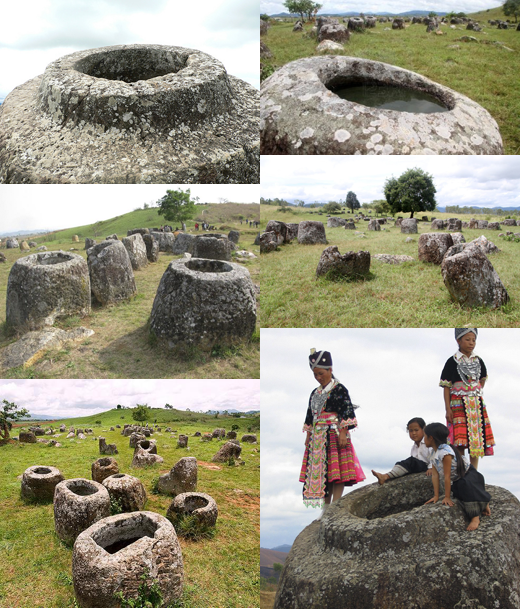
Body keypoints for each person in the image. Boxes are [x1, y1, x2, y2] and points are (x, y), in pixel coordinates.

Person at [299, 349, 365, 510]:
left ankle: (335, 504)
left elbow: (346, 411)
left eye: (321, 373)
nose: (318, 377)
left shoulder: (339, 389)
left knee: (337, 470)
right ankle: (325, 507)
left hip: (335, 433)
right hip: (317, 436)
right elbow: (310, 415)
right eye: (315, 375)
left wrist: (343, 432)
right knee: (323, 472)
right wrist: (308, 435)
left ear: (330, 370)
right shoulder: (315, 393)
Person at [440, 328, 495, 469]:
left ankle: (474, 472)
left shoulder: (478, 361)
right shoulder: (452, 361)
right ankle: (461, 470)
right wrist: (448, 409)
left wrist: (473, 392)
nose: (471, 343)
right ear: (458, 341)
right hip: (457, 404)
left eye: (473, 340)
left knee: (476, 440)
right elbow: (446, 386)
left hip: (475, 404)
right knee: (460, 441)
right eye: (467, 339)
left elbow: (481, 381)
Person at [424, 422, 491, 531]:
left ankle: (475, 517)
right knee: (458, 494)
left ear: (431, 438)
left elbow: (446, 476)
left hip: (470, 476)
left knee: (467, 493)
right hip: (458, 479)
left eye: (425, 437)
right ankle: (483, 503)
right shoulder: (434, 453)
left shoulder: (445, 453)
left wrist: (447, 497)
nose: (424, 440)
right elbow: (435, 476)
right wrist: (436, 496)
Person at [371, 417, 432, 484]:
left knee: (410, 462)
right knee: (402, 464)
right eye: (411, 431)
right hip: (419, 469)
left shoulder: (428, 443)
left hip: (427, 467)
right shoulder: (413, 448)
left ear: (423, 430)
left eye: (416, 430)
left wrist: (431, 468)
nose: (413, 433)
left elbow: (434, 456)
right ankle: (388, 475)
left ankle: (385, 476)